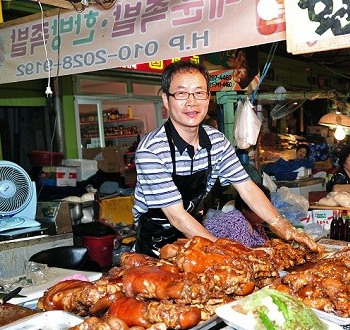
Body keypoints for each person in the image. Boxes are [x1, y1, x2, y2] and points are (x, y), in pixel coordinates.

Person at [132, 60, 320, 256]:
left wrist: (282, 225)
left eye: (199, 92)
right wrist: (228, 250)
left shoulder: (217, 142)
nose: (191, 102)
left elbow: (247, 187)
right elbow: (177, 216)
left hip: (193, 241)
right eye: (181, 94)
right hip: (153, 249)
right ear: (165, 100)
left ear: (208, 97)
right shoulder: (151, 150)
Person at [204, 186, 270, 247]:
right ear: (244, 208)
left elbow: (265, 244)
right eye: (259, 210)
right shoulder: (236, 221)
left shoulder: (257, 224)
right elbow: (241, 253)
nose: (264, 213)